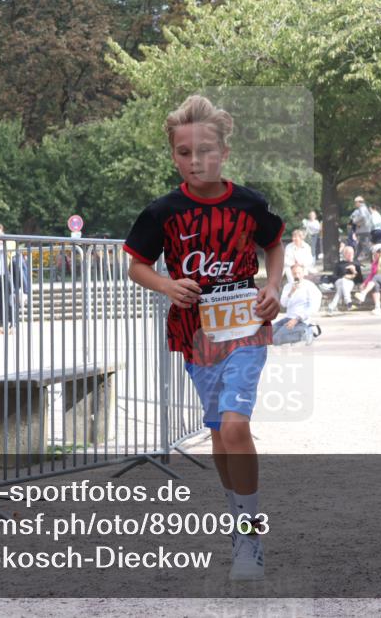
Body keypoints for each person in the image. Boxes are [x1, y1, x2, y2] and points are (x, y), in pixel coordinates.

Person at [123, 95, 283, 582]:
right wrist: (167, 285)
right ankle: (237, 523)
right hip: (195, 337)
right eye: (185, 152)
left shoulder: (249, 203)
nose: (197, 161)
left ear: (225, 152)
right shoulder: (162, 212)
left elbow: (274, 244)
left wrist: (273, 286)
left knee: (235, 426)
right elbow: (135, 265)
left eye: (207, 150)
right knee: (218, 432)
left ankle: (251, 534)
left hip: (246, 331)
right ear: (174, 155)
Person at [273, 263, 322, 345]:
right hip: (288, 319)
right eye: (295, 273)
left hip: (301, 321)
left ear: (303, 273)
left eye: (299, 273)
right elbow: (283, 304)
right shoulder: (288, 286)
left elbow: (313, 307)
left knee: (275, 339)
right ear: (292, 274)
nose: (297, 275)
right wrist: (291, 293)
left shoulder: (309, 286)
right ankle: (296, 334)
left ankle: (307, 332)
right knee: (267, 334)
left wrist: (296, 319)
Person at [354, 244, 381, 316]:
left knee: (376, 277)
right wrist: (364, 284)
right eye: (373, 254)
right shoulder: (375, 263)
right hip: (379, 281)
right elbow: (371, 275)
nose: (374, 255)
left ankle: (363, 294)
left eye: (375, 253)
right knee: (375, 285)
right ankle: (378, 308)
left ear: (380, 252)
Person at [327, 245, 362, 314]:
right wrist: (344, 276)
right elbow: (333, 277)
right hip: (339, 282)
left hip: (350, 283)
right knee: (343, 281)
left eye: (352, 253)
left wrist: (354, 272)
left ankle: (331, 307)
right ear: (344, 254)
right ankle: (348, 302)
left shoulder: (356, 264)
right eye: (348, 253)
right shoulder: (339, 264)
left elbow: (360, 279)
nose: (351, 255)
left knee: (341, 288)